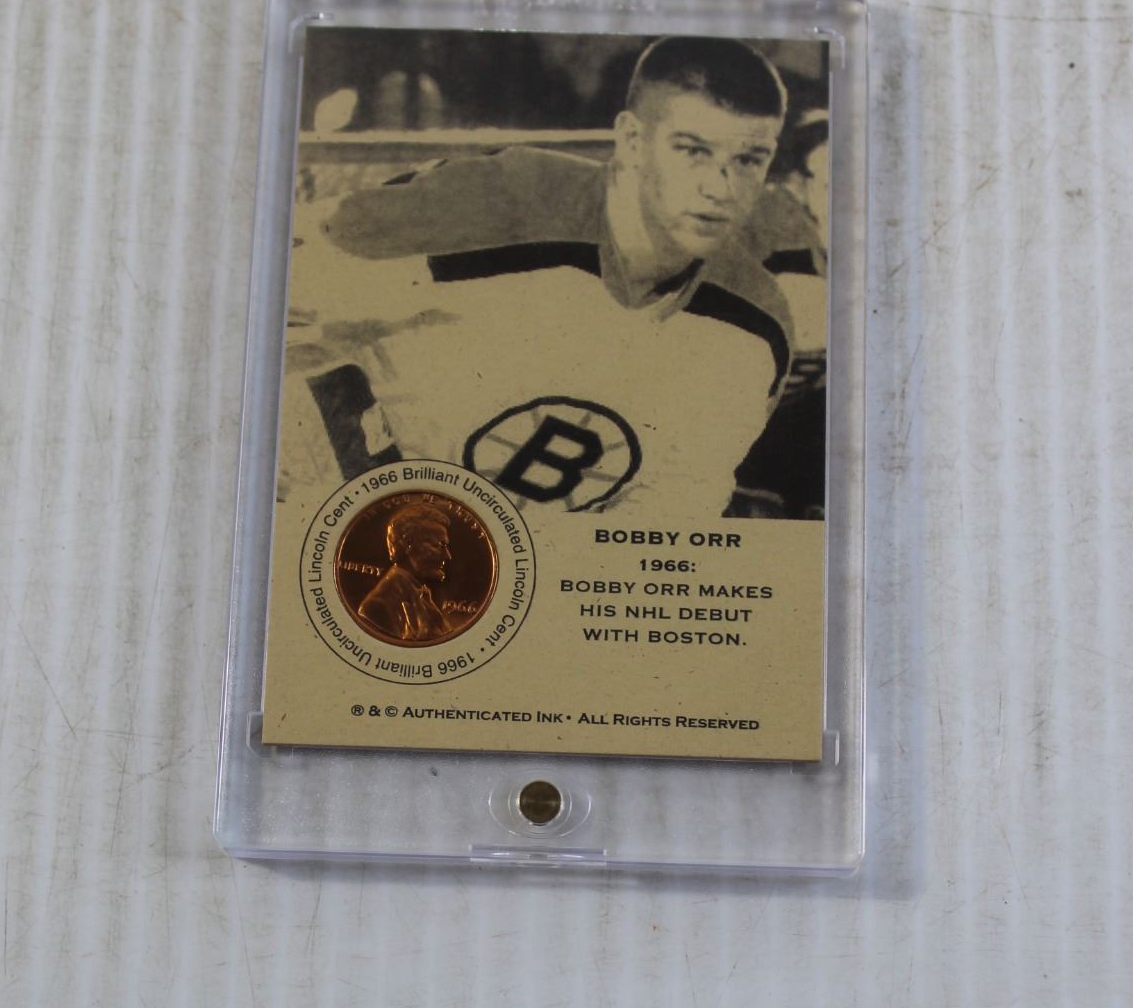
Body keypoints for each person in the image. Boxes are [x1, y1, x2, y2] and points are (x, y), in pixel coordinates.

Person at [285, 36, 797, 517]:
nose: (720, 188)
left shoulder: (756, 324)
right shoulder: (508, 202)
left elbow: (666, 518)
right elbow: (280, 282)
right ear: (632, 141)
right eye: (692, 150)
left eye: (748, 160)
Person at [357, 500, 454, 643]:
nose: (447, 556)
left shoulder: (422, 594)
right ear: (408, 544)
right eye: (439, 545)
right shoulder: (377, 606)